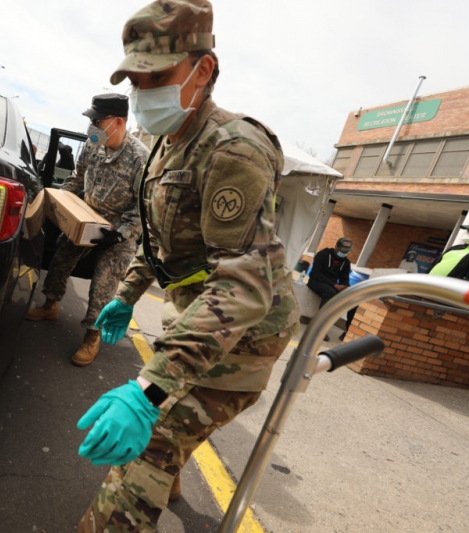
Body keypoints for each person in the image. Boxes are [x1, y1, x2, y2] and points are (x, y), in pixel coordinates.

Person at [75, 2, 300, 531]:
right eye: (135, 80)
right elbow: (158, 239)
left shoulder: (233, 149)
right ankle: (169, 465)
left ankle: (155, 468)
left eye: (157, 77)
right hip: (197, 317)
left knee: (148, 442)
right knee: (167, 423)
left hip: (244, 335)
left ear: (203, 70)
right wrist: (125, 296)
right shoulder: (165, 145)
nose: (142, 92)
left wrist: (149, 389)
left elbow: (242, 287)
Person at [26, 93, 149, 367]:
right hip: (88, 219)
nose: (92, 126)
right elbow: (77, 177)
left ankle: (92, 335)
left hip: (120, 231)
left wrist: (120, 233)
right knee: (62, 255)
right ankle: (50, 305)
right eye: (91, 120)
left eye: (97, 120)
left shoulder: (140, 158)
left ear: (118, 122)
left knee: (105, 281)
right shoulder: (93, 145)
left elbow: (143, 207)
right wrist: (60, 201)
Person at [307, 237, 354, 341]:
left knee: (354, 301)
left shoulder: (346, 262)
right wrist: (334, 285)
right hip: (316, 281)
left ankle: (348, 332)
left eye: (347, 251)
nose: (344, 253)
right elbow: (315, 273)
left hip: (332, 285)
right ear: (336, 247)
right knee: (330, 294)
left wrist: (345, 287)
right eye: (343, 250)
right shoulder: (323, 255)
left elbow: (344, 278)